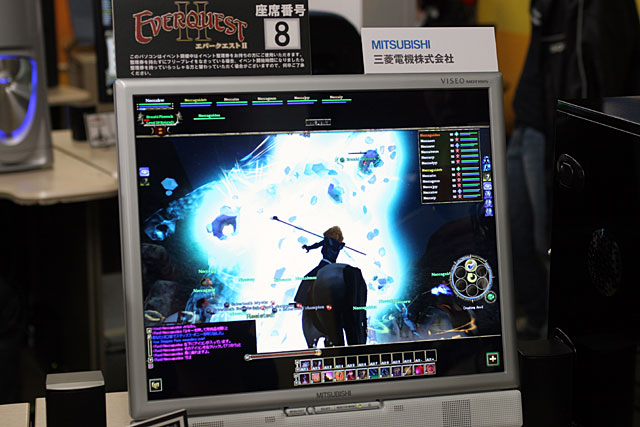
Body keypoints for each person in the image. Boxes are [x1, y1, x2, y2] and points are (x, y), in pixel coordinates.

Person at [294, 226, 345, 306]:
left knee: (307, 278)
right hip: (332, 267)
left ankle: (301, 300)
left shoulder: (328, 240)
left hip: (324, 265)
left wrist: (308, 247)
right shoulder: (339, 245)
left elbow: (317, 245)